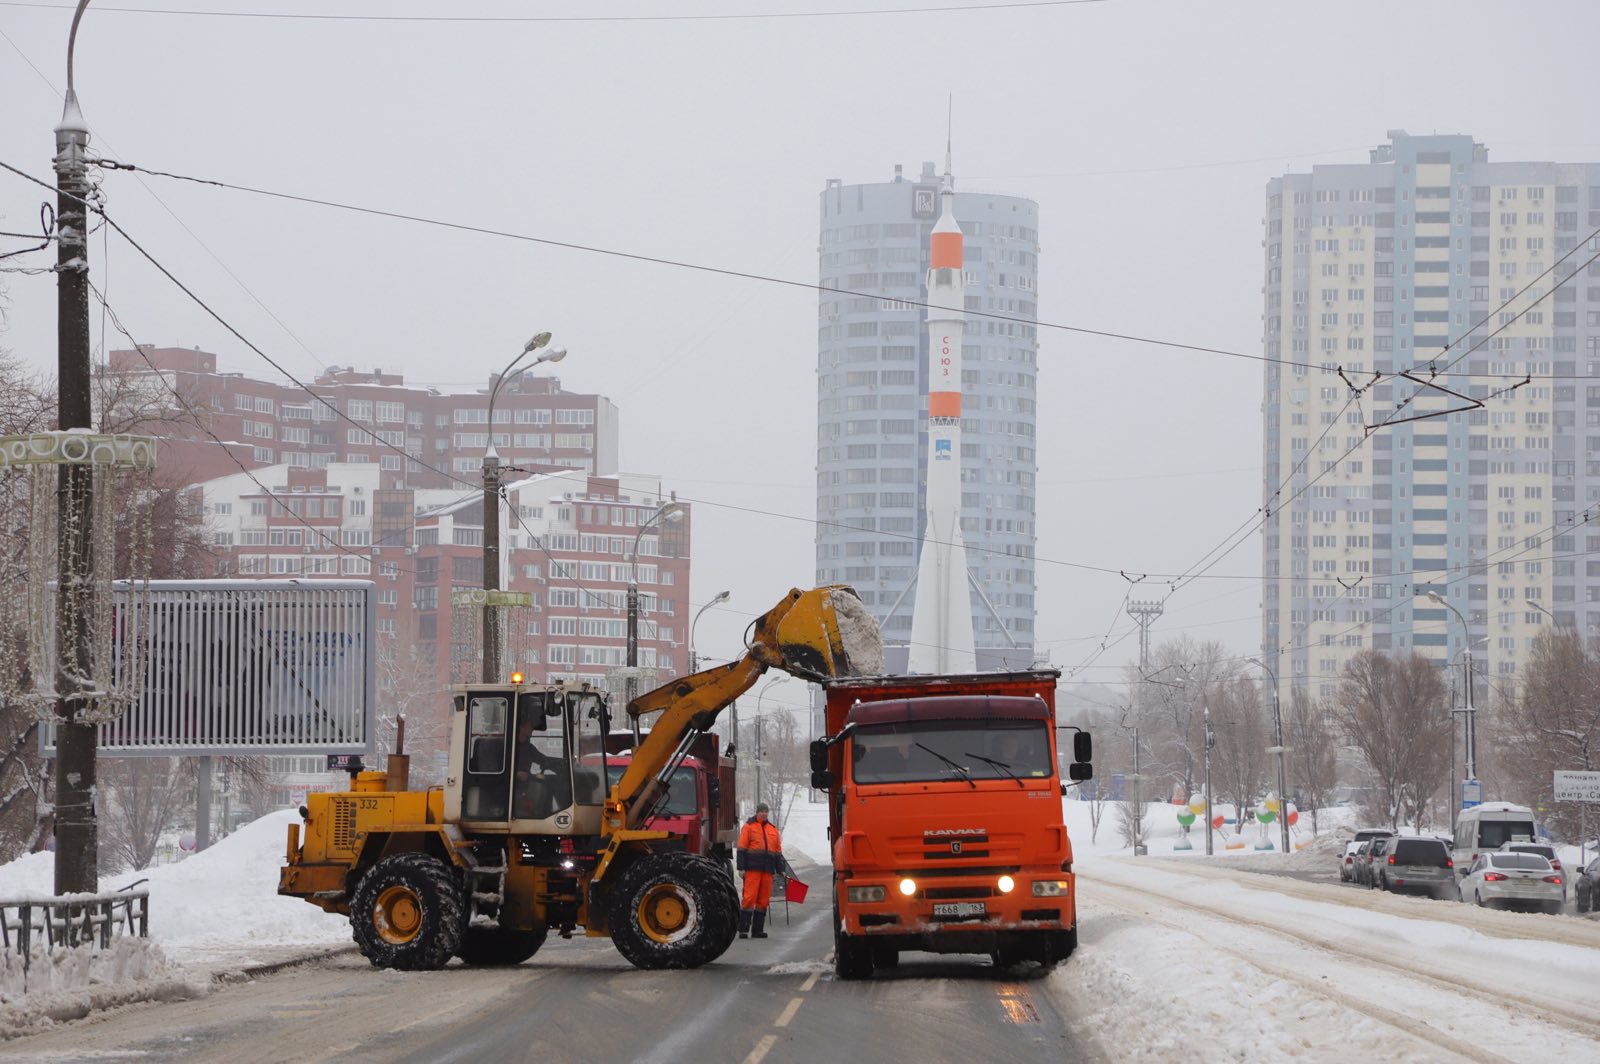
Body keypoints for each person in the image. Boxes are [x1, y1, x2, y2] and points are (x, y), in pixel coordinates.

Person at [736, 802, 783, 939]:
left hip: (767, 870)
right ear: (757, 812)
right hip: (752, 870)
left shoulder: (773, 830)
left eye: (766, 811)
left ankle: (757, 930)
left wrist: (781, 870)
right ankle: (743, 930)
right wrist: (741, 868)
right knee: (749, 898)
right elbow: (741, 848)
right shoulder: (749, 827)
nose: (764, 813)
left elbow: (778, 852)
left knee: (763, 901)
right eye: (761, 811)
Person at [513, 714, 569, 818]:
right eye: (530, 725)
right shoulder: (510, 746)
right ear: (521, 727)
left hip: (526, 780)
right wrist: (516, 775)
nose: (532, 728)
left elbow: (543, 760)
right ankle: (544, 814)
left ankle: (549, 813)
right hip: (515, 784)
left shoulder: (528, 747)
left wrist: (564, 762)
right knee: (547, 783)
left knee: (551, 780)